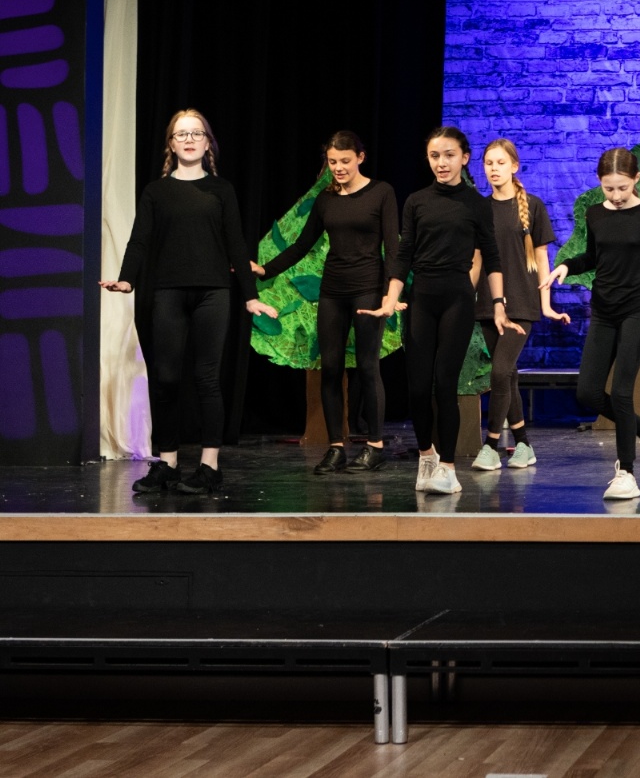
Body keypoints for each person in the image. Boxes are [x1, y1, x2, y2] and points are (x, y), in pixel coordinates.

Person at [100, 109, 278, 494]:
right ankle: (167, 465)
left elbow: (236, 245)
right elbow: (139, 239)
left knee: (206, 378)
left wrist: (250, 297)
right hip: (168, 292)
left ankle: (209, 467)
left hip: (213, 294)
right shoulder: (157, 192)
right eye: (182, 134)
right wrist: (127, 279)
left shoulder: (221, 190)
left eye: (197, 133)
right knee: (165, 379)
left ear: (207, 142)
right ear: (171, 143)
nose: (189, 139)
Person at [362, 127, 515, 496]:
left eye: (449, 155)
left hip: (457, 300)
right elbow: (403, 256)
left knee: (445, 384)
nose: (441, 163)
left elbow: (492, 258)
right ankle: (426, 454)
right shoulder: (417, 201)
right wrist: (390, 299)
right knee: (417, 389)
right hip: (422, 299)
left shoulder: (476, 203)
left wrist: (498, 305)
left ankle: (448, 467)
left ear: (464, 158)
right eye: (435, 156)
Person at [541, 147, 640, 501]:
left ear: (636, 179)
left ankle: (626, 473)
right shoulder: (596, 214)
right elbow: (594, 257)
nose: (615, 195)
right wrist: (567, 265)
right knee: (588, 392)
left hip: (637, 310)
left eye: (622, 188)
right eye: (608, 188)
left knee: (623, 392)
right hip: (604, 311)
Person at [252, 130, 398, 475]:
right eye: (333, 162)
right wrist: (265, 270)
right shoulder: (326, 199)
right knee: (330, 368)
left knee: (367, 367)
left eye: (345, 161)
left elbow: (393, 248)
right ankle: (336, 448)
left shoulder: (381, 193)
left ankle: (375, 447)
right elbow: (303, 244)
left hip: (367, 288)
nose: (338, 168)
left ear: (360, 158)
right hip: (332, 291)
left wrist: (390, 295)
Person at [466, 139, 565, 473]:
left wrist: (546, 304)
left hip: (521, 302)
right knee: (507, 376)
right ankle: (523, 444)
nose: (494, 169)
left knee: (499, 371)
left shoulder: (532, 206)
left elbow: (542, 257)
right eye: (488, 163)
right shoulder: (480, 209)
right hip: (487, 303)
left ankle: (491, 446)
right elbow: (476, 261)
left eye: (500, 162)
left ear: (514, 166)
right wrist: (464, 299)